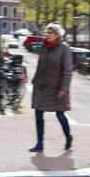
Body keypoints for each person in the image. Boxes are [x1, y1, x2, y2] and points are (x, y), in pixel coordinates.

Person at [30, 23, 73, 152]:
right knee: (38, 114)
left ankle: (68, 137)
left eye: (50, 33)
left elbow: (68, 70)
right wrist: (34, 80)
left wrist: (64, 88)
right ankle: (40, 143)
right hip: (41, 87)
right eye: (46, 32)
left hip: (57, 89)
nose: (47, 35)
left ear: (57, 35)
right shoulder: (44, 47)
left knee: (60, 115)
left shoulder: (64, 49)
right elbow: (40, 66)